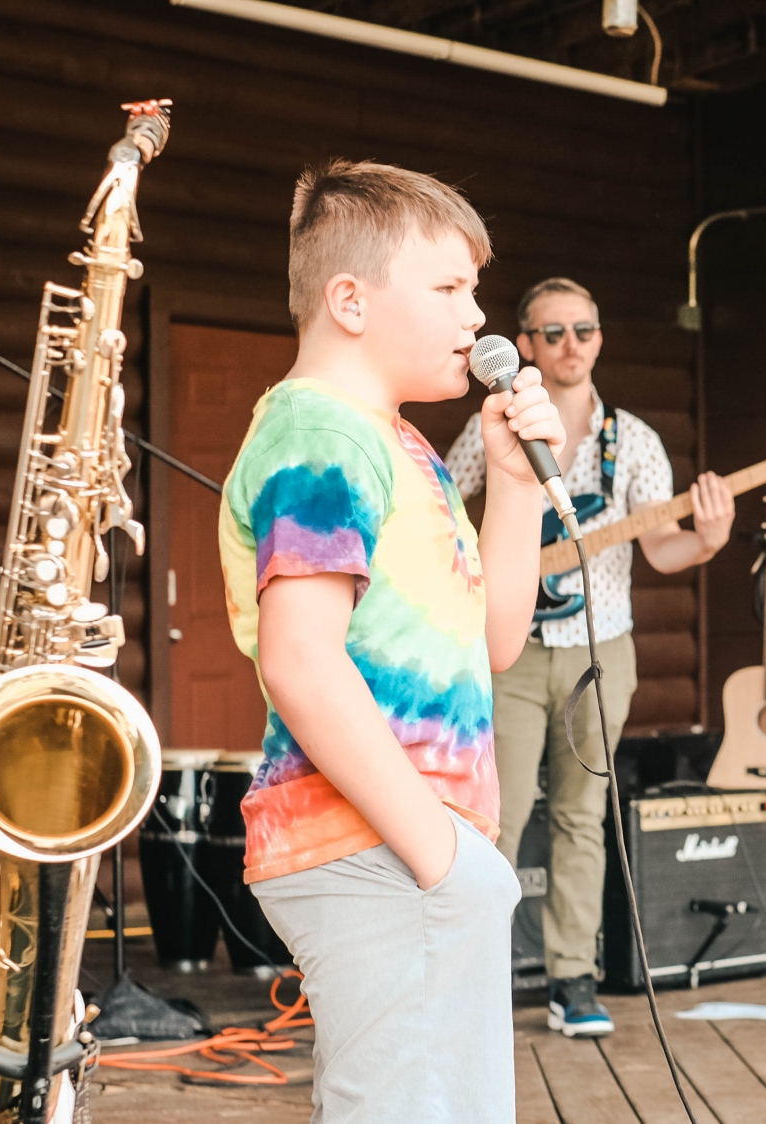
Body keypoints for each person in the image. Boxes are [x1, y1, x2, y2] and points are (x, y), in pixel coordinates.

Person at [220, 159, 556, 1123]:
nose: (477, 318)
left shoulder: (399, 442)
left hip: (414, 845)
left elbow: (496, 641)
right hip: (375, 841)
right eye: (449, 288)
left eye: (475, 291)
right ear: (350, 301)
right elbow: (300, 657)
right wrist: (438, 853)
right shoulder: (320, 434)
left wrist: (516, 488)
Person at [442, 276, 734, 1035]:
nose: (571, 345)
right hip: (509, 647)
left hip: (599, 653)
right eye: (554, 332)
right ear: (525, 344)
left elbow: (661, 547)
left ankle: (572, 978)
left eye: (585, 330)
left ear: (600, 339)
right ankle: (470, 975)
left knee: (581, 817)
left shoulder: (634, 440)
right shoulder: (492, 423)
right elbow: (440, 504)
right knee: (493, 814)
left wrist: (706, 540)